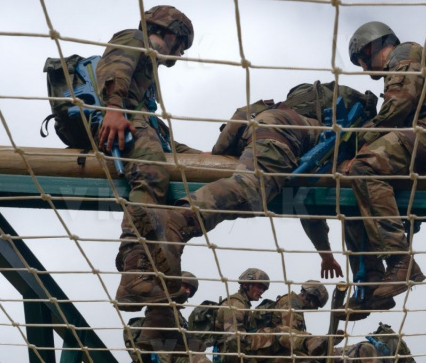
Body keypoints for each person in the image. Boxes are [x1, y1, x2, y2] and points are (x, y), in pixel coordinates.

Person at [112, 83, 382, 307]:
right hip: (283, 138)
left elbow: (238, 118)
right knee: (251, 188)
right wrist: (326, 254)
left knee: (246, 194)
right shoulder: (333, 130)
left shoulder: (269, 108)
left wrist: (218, 153)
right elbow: (315, 209)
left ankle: (139, 270)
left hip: (261, 133)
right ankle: (177, 221)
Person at [345, 21, 426, 308]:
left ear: (371, 46)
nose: (363, 68)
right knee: (353, 193)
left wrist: (362, 140)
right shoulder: (400, 62)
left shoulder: (405, 53)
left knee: (364, 167)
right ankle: (372, 280)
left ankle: (400, 261)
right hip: (414, 140)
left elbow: (401, 103)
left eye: (361, 60)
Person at [96, 6, 197, 311]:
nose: (180, 53)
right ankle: (134, 273)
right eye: (181, 44)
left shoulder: (148, 76)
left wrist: (204, 156)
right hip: (117, 121)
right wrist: (114, 108)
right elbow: (116, 66)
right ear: (170, 32)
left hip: (134, 122)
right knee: (151, 172)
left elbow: (155, 128)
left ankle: (150, 264)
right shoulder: (135, 38)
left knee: (176, 161)